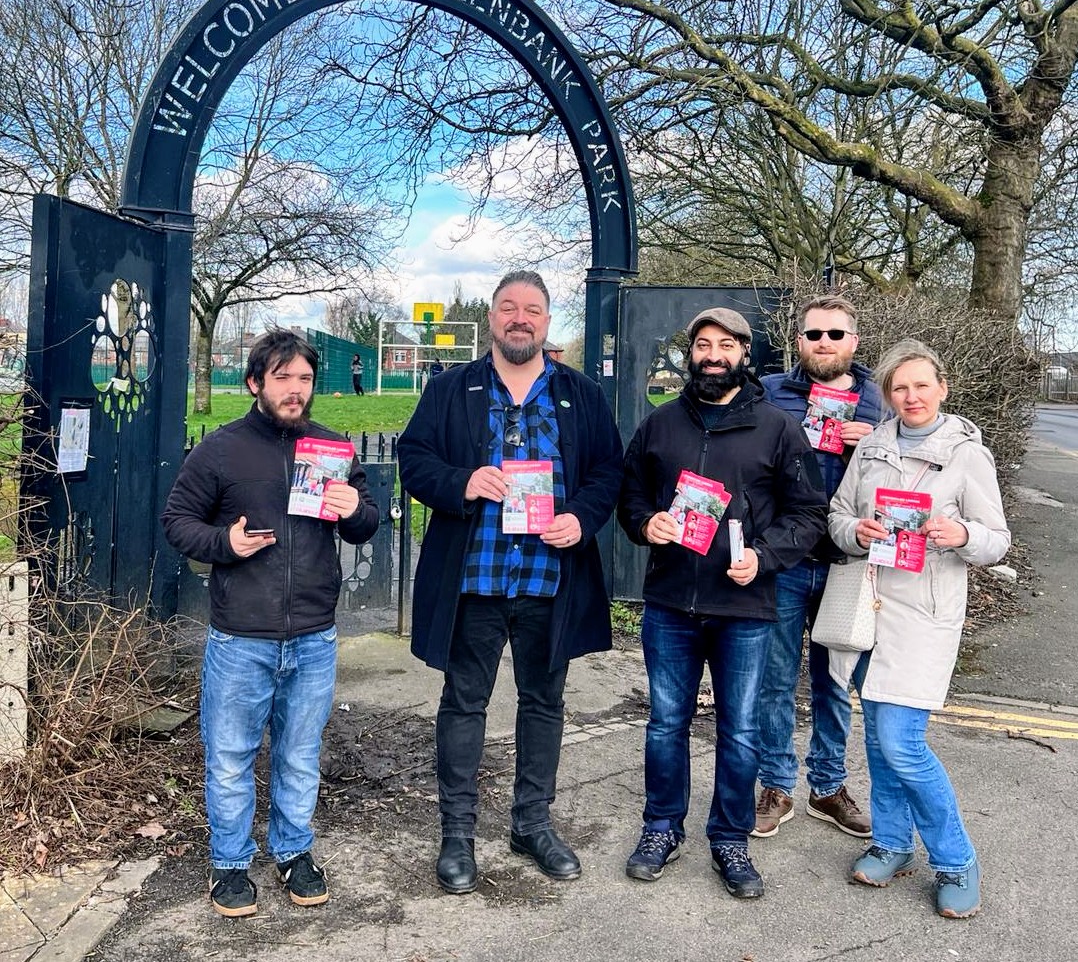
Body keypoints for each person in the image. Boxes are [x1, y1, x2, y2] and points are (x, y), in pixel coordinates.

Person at [397, 270, 623, 895]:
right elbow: (413, 458)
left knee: (544, 703)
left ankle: (531, 824)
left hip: (552, 580)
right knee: (464, 703)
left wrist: (580, 517)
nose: (519, 318)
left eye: (532, 309)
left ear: (548, 322)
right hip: (475, 578)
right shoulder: (452, 389)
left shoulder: (581, 394)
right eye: (507, 308)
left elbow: (610, 470)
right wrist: (462, 483)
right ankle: (457, 835)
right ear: (492, 318)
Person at [161, 329, 380, 918]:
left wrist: (356, 509)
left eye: (304, 378)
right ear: (256, 382)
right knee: (230, 756)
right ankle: (230, 863)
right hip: (241, 637)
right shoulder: (222, 451)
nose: (295, 390)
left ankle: (292, 852)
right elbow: (178, 521)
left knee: (300, 754)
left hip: (313, 634)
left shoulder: (333, 448)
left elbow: (366, 525)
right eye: (282, 378)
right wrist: (224, 543)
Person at [617, 306, 827, 899]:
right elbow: (630, 495)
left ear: (745, 354)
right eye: (703, 345)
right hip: (669, 606)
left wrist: (765, 556)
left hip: (745, 606)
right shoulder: (659, 425)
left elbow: (808, 513)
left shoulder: (779, 429)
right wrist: (645, 522)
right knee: (665, 726)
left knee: (740, 732)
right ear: (690, 355)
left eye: (726, 345)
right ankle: (661, 828)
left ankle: (731, 837)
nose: (713, 355)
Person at [828, 339, 1009, 920]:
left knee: (902, 746)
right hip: (868, 609)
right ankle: (891, 842)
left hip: (924, 616)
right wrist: (857, 530)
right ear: (887, 395)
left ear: (942, 388)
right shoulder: (872, 447)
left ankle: (956, 860)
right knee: (880, 741)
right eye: (899, 387)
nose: (911, 396)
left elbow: (995, 538)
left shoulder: (966, 454)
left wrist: (962, 537)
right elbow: (836, 515)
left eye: (921, 385)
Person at [754, 295, 884, 839]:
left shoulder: (882, 400)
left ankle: (828, 788)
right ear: (798, 341)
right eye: (814, 334)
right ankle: (776, 786)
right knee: (775, 681)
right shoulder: (770, 392)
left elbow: (912, 472)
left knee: (836, 684)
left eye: (835, 334)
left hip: (848, 564)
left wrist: (873, 441)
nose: (824, 343)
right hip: (784, 558)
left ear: (853, 342)